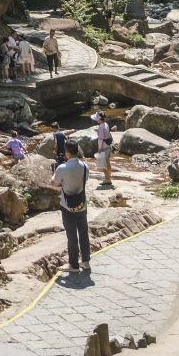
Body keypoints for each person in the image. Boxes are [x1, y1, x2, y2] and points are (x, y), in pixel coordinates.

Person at [52, 138, 90, 274]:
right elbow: (85, 180)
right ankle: (85, 262)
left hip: (67, 206)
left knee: (72, 236)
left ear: (66, 152)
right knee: (84, 233)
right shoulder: (85, 166)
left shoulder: (62, 168)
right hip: (82, 205)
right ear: (77, 150)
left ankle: (73, 265)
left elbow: (54, 183)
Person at [94, 113, 113, 187]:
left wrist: (99, 148)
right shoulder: (106, 124)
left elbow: (100, 139)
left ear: (99, 119)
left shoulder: (101, 127)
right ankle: (109, 177)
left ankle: (107, 180)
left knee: (103, 164)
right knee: (108, 162)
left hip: (103, 147)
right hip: (108, 146)